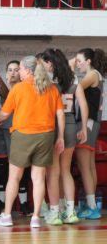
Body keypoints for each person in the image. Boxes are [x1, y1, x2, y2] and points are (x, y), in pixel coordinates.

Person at [0, 56, 65, 228]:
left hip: (23, 135)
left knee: (14, 177)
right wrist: (61, 136)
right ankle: (35, 217)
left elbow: (4, 113)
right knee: (38, 178)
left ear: (28, 70)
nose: (18, 71)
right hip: (46, 136)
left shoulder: (18, 88)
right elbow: (60, 114)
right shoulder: (52, 88)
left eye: (20, 68)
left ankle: (6, 216)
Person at [40, 48, 88, 225]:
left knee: (53, 172)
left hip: (53, 126)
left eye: (44, 63)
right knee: (65, 170)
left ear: (50, 63)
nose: (42, 66)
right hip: (70, 125)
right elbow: (83, 104)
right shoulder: (73, 79)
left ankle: (55, 212)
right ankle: (70, 210)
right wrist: (83, 127)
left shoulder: (49, 80)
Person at [0, 62, 32, 216]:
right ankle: (1, 203)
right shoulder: (1, 86)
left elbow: (9, 95)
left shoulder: (23, 87)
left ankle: (23, 204)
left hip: (18, 132)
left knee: (20, 168)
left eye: (16, 70)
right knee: (2, 169)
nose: (14, 73)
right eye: (10, 70)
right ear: (7, 72)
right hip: (2, 131)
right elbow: (4, 92)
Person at [71, 48, 107, 219]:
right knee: (90, 165)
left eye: (79, 60)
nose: (77, 64)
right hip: (93, 122)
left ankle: (92, 206)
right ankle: (92, 205)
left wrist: (68, 69)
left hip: (88, 123)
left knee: (85, 166)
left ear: (89, 61)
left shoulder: (92, 74)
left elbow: (75, 88)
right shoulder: (96, 75)